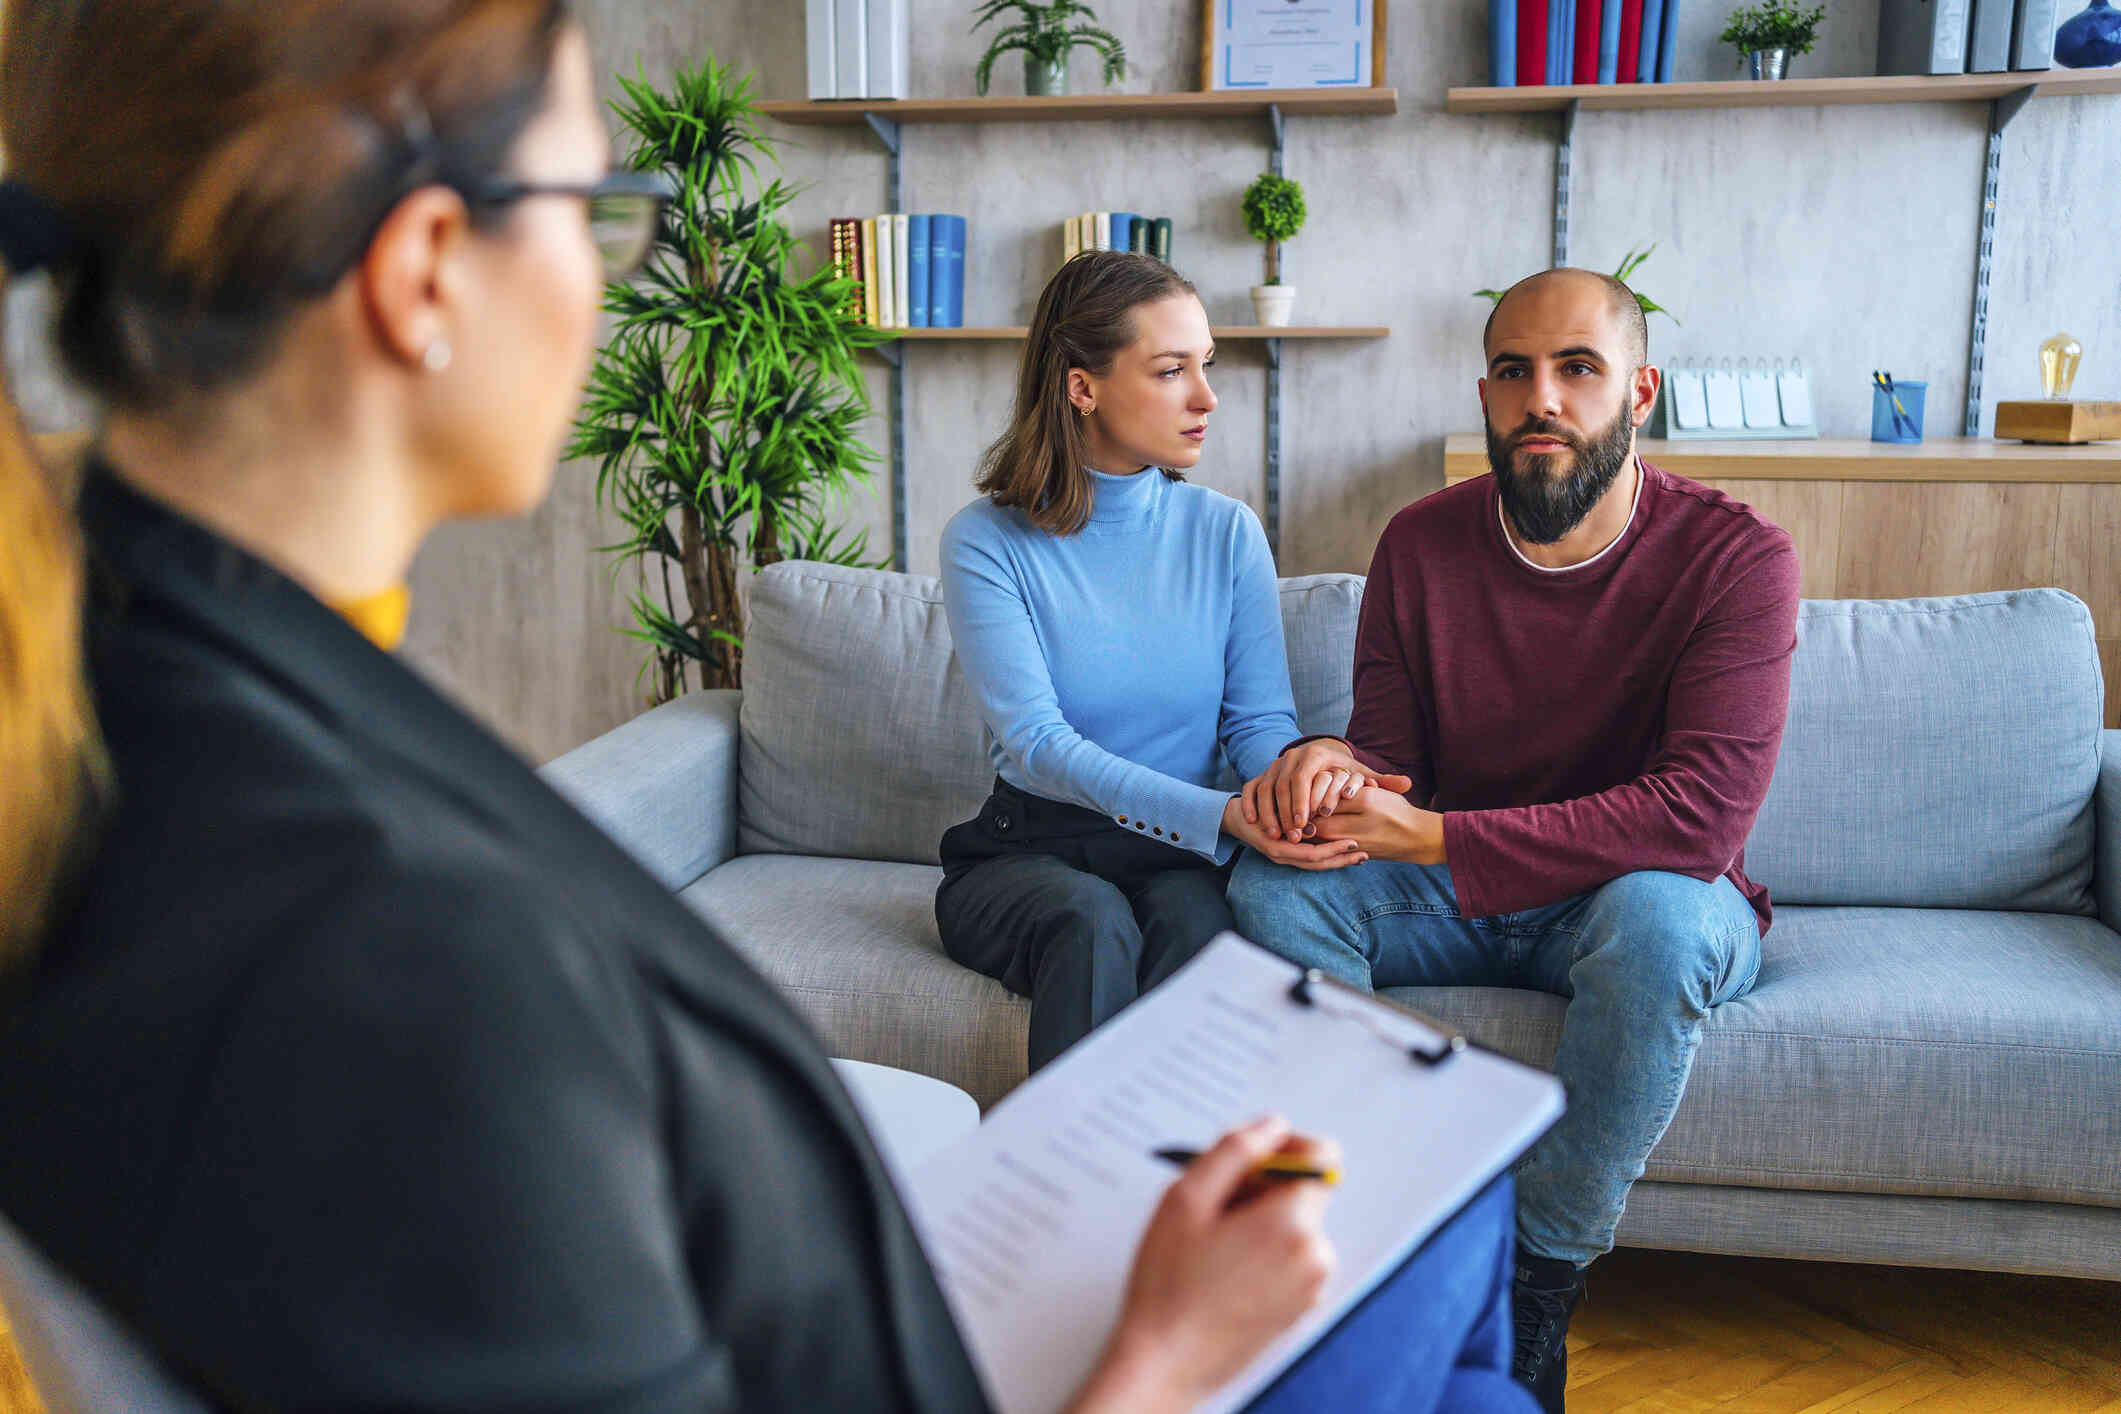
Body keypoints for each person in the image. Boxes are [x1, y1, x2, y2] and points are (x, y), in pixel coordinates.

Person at [0, 3, 1536, 1410]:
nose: (611, 284)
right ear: (419, 277)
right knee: (1455, 1218)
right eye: (598, 212)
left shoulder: (168, 685)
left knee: (1460, 1266)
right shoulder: (380, 937)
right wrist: (1155, 1356)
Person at [1227, 267, 1802, 1413]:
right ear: (1486, 394)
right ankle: (1367, 1227)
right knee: (1279, 887)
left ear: (1639, 391)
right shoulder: (1421, 543)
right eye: (1513, 370)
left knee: (1661, 922)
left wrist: (1436, 836)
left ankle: (1539, 1282)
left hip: (1641, 895)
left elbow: (1699, 817)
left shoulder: (1739, 558)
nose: (1542, 397)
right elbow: (1389, 763)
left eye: (1577, 369)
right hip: (1463, 893)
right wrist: (1322, 768)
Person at [936, 250, 1399, 1072]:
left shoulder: (1224, 531)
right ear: (1082, 386)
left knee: (1204, 933)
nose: (1206, 398)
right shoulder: (985, 541)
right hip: (1029, 852)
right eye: (1170, 370)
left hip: (1178, 859)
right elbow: (1039, 744)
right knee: (1089, 921)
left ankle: (1191, 1192)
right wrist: (1220, 815)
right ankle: (1060, 1196)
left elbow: (1257, 722)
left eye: (1205, 366)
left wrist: (1292, 790)